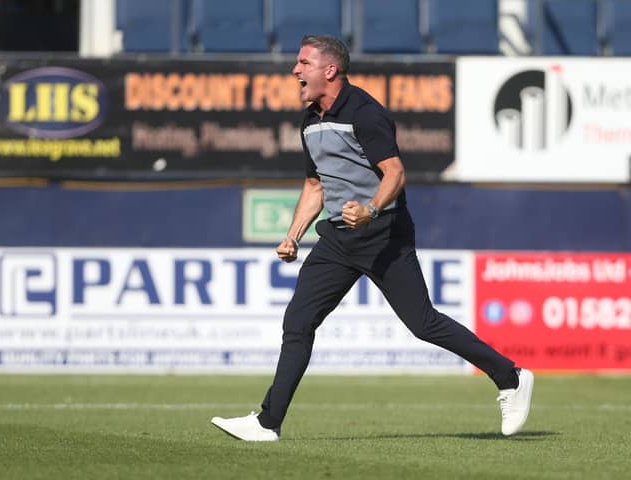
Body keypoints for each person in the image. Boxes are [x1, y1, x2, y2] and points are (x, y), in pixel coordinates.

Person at [211, 35, 533, 442]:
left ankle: (511, 377)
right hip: (337, 239)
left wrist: (371, 210)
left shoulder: (365, 112)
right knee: (298, 321)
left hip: (384, 234)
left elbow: (395, 173)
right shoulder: (311, 119)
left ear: (330, 70)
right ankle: (267, 422)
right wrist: (293, 235)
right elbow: (315, 185)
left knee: (423, 324)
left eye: (303, 63)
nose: (295, 70)